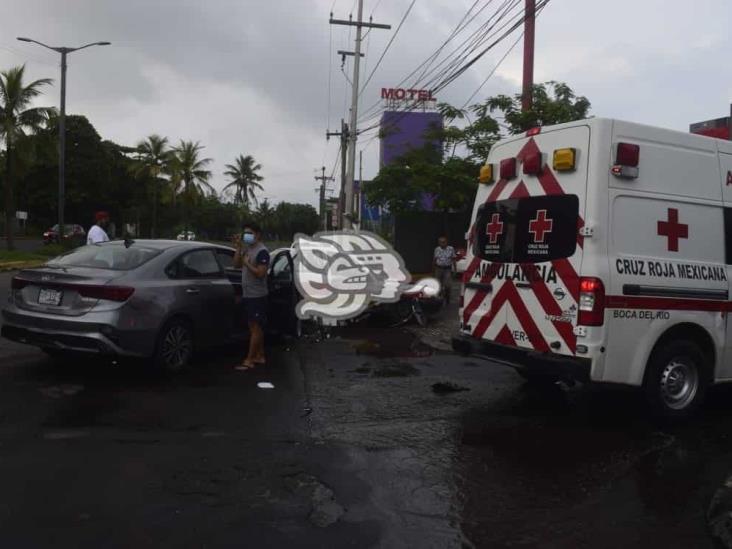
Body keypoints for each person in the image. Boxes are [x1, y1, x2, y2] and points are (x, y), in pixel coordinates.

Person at [233, 222, 270, 370]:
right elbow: (236, 265)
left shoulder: (262, 252)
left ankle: (249, 359)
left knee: (255, 327)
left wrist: (247, 264)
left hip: (257, 295)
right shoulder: (247, 249)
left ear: (257, 234)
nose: (247, 236)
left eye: (249, 233)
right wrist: (238, 248)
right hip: (248, 294)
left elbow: (261, 273)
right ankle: (260, 355)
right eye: (245, 233)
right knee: (254, 326)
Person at [433, 236, 455, 304]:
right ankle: (439, 299)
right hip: (439, 268)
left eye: (444, 242)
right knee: (438, 284)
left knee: (447, 285)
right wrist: (433, 269)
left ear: (446, 242)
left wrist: (455, 269)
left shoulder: (451, 249)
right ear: (439, 243)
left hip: (447, 269)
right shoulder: (437, 249)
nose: (442, 243)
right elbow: (434, 259)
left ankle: (447, 298)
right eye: (441, 242)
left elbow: (453, 259)